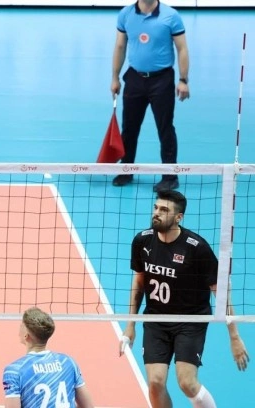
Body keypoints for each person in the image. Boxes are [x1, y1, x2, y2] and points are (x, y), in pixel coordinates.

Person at [120, 189, 250, 408]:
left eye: (164, 210)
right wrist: (130, 325)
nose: (156, 213)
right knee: (155, 382)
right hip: (156, 320)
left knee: (187, 383)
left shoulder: (197, 248)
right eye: (155, 207)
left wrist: (234, 337)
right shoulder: (142, 241)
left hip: (190, 320)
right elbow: (139, 282)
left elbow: (220, 293)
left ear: (178, 217)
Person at [110, 0, 190, 192]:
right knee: (129, 128)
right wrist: (115, 78)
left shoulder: (171, 16)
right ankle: (126, 170)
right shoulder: (125, 14)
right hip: (134, 78)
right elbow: (120, 46)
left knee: (165, 128)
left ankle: (170, 176)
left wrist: (183, 80)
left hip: (162, 80)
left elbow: (182, 48)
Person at [1, 307, 95, 408]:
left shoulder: (14, 370)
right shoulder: (68, 362)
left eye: (21, 325)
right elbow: (88, 406)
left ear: (26, 336)